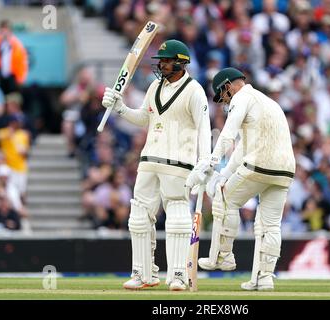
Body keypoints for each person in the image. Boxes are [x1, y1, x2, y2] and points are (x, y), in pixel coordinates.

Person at [101, 39, 211, 291]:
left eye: (166, 60)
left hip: (179, 162)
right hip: (149, 158)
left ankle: (178, 275)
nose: (161, 64)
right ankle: (143, 274)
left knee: (177, 218)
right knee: (138, 217)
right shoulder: (154, 87)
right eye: (160, 60)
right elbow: (144, 118)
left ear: (181, 62)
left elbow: (204, 127)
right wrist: (120, 108)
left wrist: (205, 160)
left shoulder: (194, 91)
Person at [186, 67, 295, 290]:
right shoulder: (269, 102)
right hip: (285, 170)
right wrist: (223, 173)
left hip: (260, 163)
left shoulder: (241, 97)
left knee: (225, 199)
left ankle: (223, 256)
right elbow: (242, 147)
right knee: (269, 224)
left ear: (228, 85)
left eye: (222, 95)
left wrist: (210, 162)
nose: (224, 102)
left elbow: (227, 134)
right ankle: (263, 278)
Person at [0, 20, 28, 94]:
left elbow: (22, 64)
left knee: (12, 98)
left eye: (7, 32)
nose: (4, 35)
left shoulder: (17, 46)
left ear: (11, 33)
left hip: (12, 76)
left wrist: (20, 79)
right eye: (2, 32)